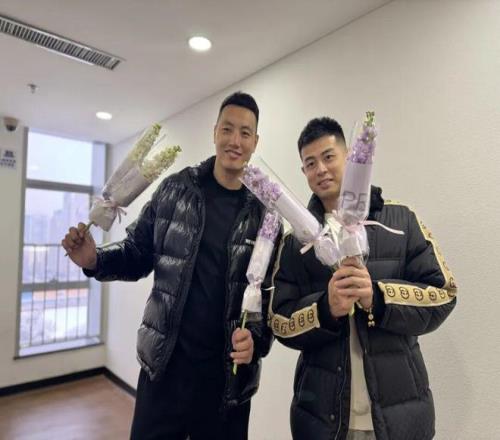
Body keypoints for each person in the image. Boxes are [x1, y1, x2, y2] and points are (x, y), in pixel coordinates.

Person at [62, 92, 279, 440]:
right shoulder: (176, 190)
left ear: (255, 142)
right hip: (164, 370)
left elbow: (271, 299)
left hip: (226, 382)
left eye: (245, 133)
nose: (235, 141)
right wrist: (94, 260)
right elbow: (137, 253)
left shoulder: (265, 214)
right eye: (227, 129)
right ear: (215, 132)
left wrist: (257, 341)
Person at [269, 117, 457, 440]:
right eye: (310, 163)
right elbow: (278, 320)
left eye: (328, 157)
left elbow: (444, 293)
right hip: (322, 419)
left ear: (350, 157)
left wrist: (378, 298)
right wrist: (325, 309)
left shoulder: (400, 221)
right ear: (303, 171)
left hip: (400, 416)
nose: (321, 169)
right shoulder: (295, 242)